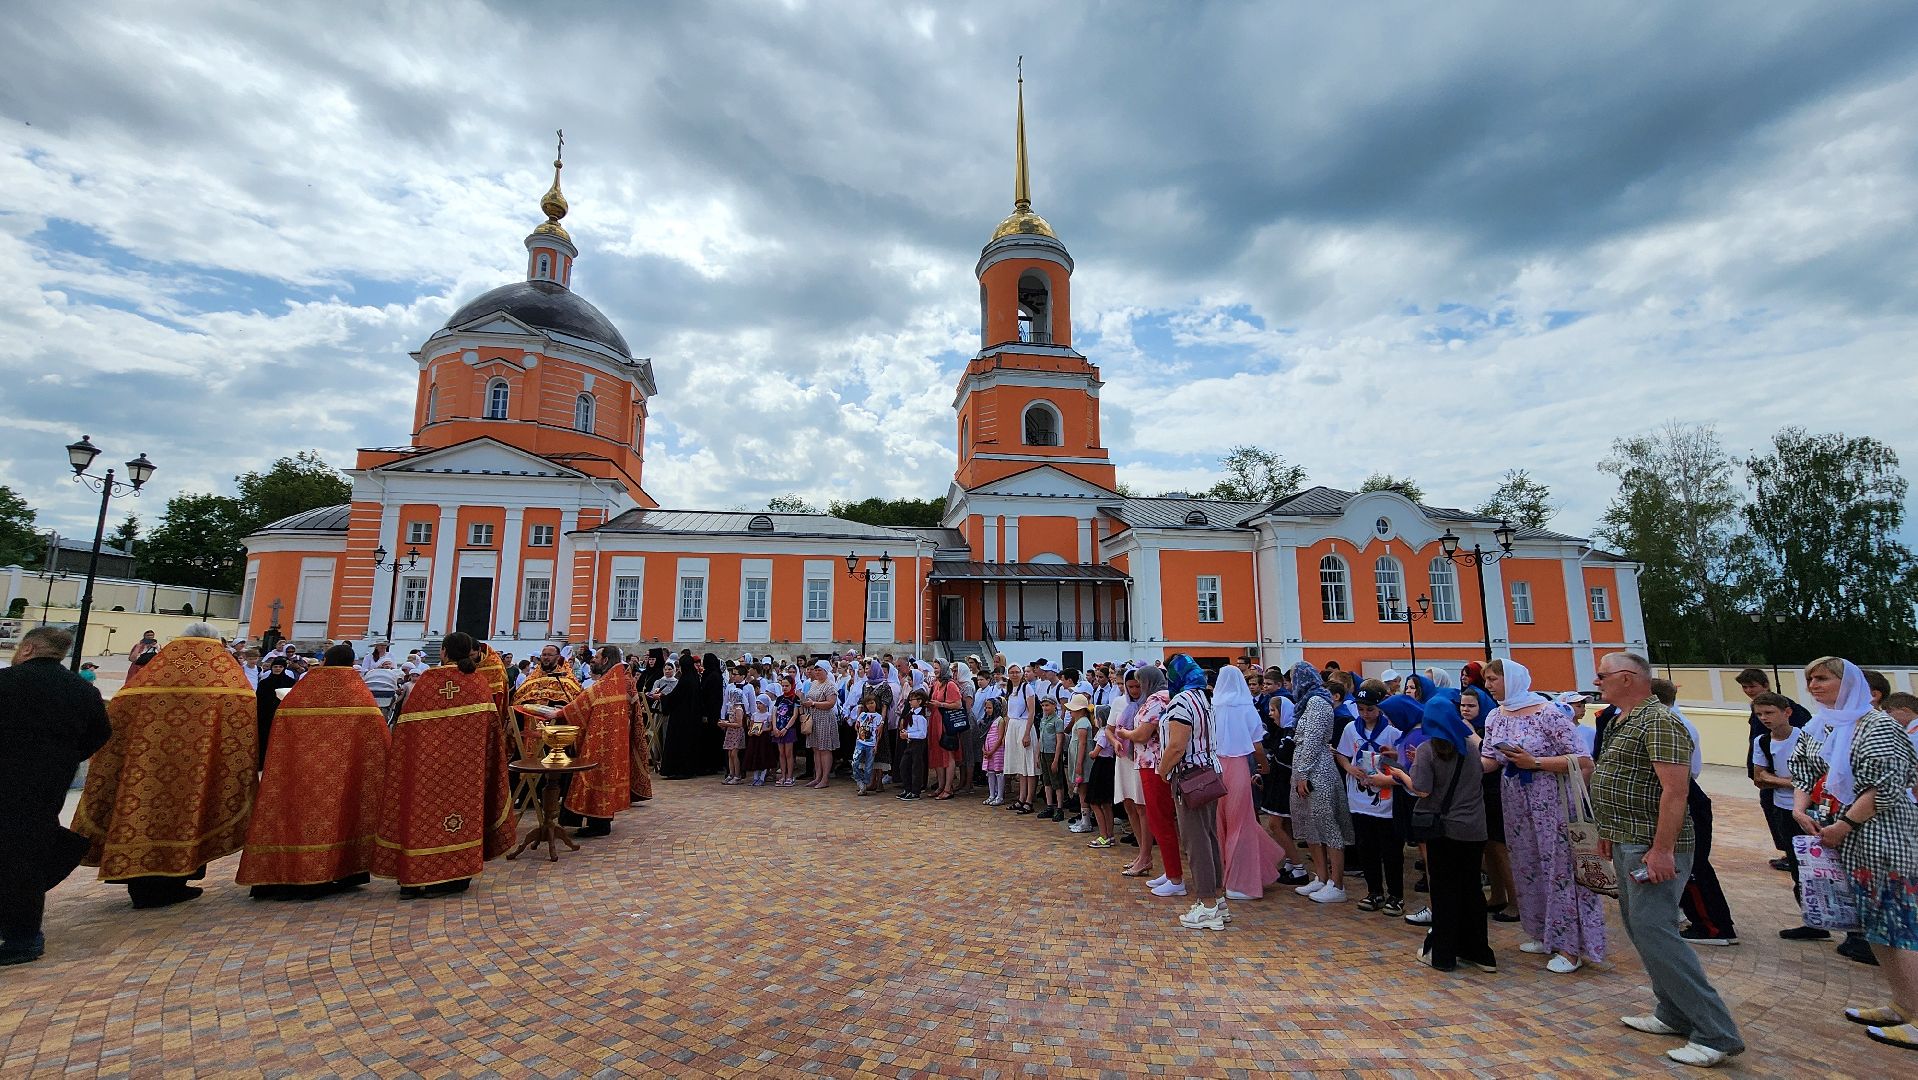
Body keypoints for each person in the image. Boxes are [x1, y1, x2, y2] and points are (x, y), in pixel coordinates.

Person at [1590, 651, 1744, 1068]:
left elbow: (1674, 792)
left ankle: (1716, 1032)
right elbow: (1618, 777)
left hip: (1651, 844)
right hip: (1626, 838)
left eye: (1603, 675)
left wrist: (1661, 850)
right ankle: (1672, 1011)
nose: (1596, 681)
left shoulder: (1660, 721)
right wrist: (1607, 830)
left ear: (1627, 678)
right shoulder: (1622, 719)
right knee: (1639, 928)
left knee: (1656, 930)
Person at [73, 622, 257, 910]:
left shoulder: (154, 673)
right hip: (198, 770)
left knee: (140, 814)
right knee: (189, 816)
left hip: (143, 770)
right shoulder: (224, 677)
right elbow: (242, 722)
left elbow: (117, 716)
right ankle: (175, 880)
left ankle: (139, 880)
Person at [1789, 657, 1918, 1052]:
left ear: (1849, 683)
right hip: (1843, 839)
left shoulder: (1877, 725)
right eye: (1810, 678)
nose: (1814, 685)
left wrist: (1845, 825)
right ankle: (1904, 1004)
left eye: (1823, 678)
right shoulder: (1820, 725)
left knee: (1901, 927)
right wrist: (1798, 808)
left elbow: (1886, 786)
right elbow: (1803, 772)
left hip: (1884, 837)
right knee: (1874, 926)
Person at [237, 642, 389, 899]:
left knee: (291, 819)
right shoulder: (357, 693)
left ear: (327, 660)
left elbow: (280, 730)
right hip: (340, 778)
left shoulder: (304, 690)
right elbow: (378, 738)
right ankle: (333, 871)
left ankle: (279, 875)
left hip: (298, 774)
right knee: (336, 820)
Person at [1482, 658, 1604, 973]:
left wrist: (1534, 762)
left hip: (1553, 802)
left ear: (1511, 679)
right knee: (1528, 864)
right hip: (1517, 803)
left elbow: (1583, 761)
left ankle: (1571, 947)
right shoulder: (1495, 716)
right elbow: (1489, 760)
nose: (1489, 685)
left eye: (1493, 679)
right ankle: (1542, 931)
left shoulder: (1547, 713)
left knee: (1559, 868)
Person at [372, 633, 514, 898]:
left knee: (421, 818)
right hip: (465, 774)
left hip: (424, 772)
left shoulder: (426, 683)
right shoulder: (476, 685)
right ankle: (453, 877)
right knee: (459, 820)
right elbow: (492, 733)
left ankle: (413, 877)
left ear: (444, 652)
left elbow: (404, 732)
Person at [0, 628, 111, 965]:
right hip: (48, 782)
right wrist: (63, 758)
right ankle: (22, 931)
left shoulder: (6, 681)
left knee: (14, 854)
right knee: (28, 849)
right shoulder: (83, 690)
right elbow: (101, 732)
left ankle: (23, 938)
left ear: (30, 648)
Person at [1386, 694, 1494, 973]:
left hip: (1443, 830)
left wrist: (1400, 775)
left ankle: (1443, 955)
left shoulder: (1427, 749)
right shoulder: (1471, 747)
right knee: (1471, 890)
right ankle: (1480, 952)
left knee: (1445, 890)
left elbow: (1422, 789)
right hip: (1474, 829)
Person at [1650, 678, 1739, 948]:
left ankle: (1713, 926)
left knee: (1693, 866)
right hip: (1686, 794)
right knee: (1691, 864)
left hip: (1686, 797)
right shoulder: (1673, 720)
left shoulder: (1671, 725)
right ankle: (1706, 920)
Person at [1160, 654, 1227, 930]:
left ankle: (1207, 904)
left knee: (1195, 841)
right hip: (1210, 771)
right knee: (1209, 836)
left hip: (1190, 775)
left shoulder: (1181, 702)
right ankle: (1217, 899)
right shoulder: (1204, 698)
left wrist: (1162, 770)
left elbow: (1177, 745)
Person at [1750, 691, 1824, 941]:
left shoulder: (1807, 737)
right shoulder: (1762, 742)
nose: (1764, 718)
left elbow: (1818, 774)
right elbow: (1760, 777)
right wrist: (1790, 782)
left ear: (1787, 712)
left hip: (1813, 809)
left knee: (1827, 866)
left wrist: (1783, 781)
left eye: (1769, 713)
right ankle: (1812, 920)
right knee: (1797, 867)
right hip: (1783, 809)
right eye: (1759, 714)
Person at [1110, 664, 1183, 896]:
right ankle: (1171, 871)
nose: (1137, 687)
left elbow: (1143, 733)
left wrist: (1126, 734)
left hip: (1153, 763)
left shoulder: (1157, 700)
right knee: (1155, 817)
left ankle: (1175, 877)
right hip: (1146, 762)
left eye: (1140, 682)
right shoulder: (1157, 698)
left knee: (1159, 818)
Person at [1210, 666, 1282, 900]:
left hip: (1217, 767)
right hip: (1239, 766)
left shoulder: (1213, 707)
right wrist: (1264, 767)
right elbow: (1258, 745)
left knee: (1221, 823)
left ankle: (1224, 875)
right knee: (1241, 823)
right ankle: (1240, 881)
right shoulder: (1245, 707)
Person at [1289, 662, 1353, 903]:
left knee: (1327, 824)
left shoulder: (1317, 702)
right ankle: (1321, 876)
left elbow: (1314, 740)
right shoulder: (1306, 703)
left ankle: (1337, 883)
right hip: (1304, 768)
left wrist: (1303, 773)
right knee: (1310, 825)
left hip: (1318, 771)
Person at [1339, 680, 1404, 915]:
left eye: (1370, 709)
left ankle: (1396, 894)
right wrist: (1349, 768)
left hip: (1386, 795)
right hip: (1359, 795)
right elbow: (1344, 755)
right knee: (1366, 847)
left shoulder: (1392, 731)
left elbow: (1402, 762)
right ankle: (1374, 890)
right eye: (1361, 709)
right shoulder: (1350, 729)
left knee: (1391, 849)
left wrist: (1390, 761)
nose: (1365, 714)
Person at [555, 645, 633, 838]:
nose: (593, 660)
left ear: (605, 660)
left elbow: (581, 705)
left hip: (601, 739)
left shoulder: (607, 684)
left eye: (597, 657)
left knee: (593, 775)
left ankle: (599, 823)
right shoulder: (619, 680)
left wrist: (560, 712)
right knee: (601, 776)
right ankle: (599, 821)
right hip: (612, 738)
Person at [659, 650, 707, 779]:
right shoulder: (694, 678)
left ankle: (680, 770)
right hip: (692, 717)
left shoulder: (685, 680)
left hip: (681, 719)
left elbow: (675, 697)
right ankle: (689, 768)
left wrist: (662, 698)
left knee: (679, 744)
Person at [1003, 667, 1042, 815]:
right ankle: (1021, 798)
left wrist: (1026, 733)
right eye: (1011, 672)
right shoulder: (1011, 689)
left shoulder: (1027, 688)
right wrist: (1006, 733)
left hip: (1024, 726)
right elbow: (1008, 714)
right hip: (1013, 726)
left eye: (1017, 672)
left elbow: (1031, 712)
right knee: (1021, 766)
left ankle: (1029, 800)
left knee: (1029, 766)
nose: (1014, 674)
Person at [254, 656, 298, 769]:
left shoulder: (290, 682)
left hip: (283, 716)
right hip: (266, 716)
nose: (277, 669)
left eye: (280, 667)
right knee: (265, 739)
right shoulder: (264, 683)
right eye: (275, 666)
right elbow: (259, 699)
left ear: (284, 668)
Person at [803, 661, 839, 789]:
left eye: (820, 670)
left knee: (824, 749)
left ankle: (825, 778)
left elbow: (831, 703)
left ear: (826, 671)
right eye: (816, 670)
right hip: (814, 718)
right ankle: (817, 776)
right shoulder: (813, 684)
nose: (817, 672)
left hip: (825, 718)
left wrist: (813, 704)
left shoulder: (830, 686)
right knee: (816, 748)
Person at [743, 688, 778, 788]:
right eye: (757, 703)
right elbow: (752, 725)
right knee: (755, 757)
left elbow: (770, 727)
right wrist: (751, 731)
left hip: (764, 739)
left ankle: (762, 778)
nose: (758, 706)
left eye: (760, 703)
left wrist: (763, 730)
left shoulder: (768, 715)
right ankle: (755, 777)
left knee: (763, 757)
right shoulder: (754, 715)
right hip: (755, 739)